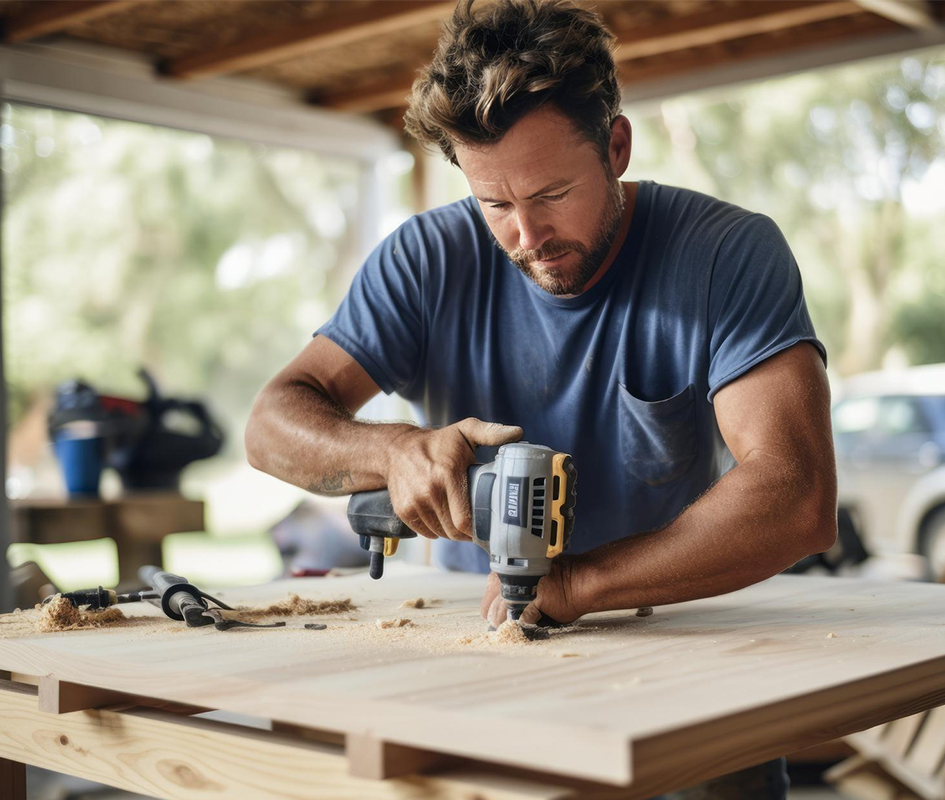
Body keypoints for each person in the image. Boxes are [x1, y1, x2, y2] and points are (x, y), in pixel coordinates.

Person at [246, 1, 836, 796]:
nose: (527, 234)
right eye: (496, 204)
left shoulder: (724, 254)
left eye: (552, 192)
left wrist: (578, 586)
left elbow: (796, 496)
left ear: (616, 146)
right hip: (486, 674)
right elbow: (270, 426)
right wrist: (393, 452)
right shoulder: (427, 260)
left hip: (681, 662)